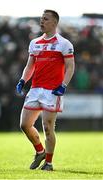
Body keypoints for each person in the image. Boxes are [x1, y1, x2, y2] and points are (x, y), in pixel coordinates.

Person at [16, 9, 75, 171]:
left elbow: (70, 67)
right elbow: (30, 66)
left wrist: (63, 85)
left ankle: (48, 163)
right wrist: (23, 80)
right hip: (35, 89)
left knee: (47, 127)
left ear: (54, 23)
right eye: (41, 19)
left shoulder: (64, 43)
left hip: (52, 91)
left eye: (46, 19)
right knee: (24, 124)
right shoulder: (34, 43)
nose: (42, 22)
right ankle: (40, 151)